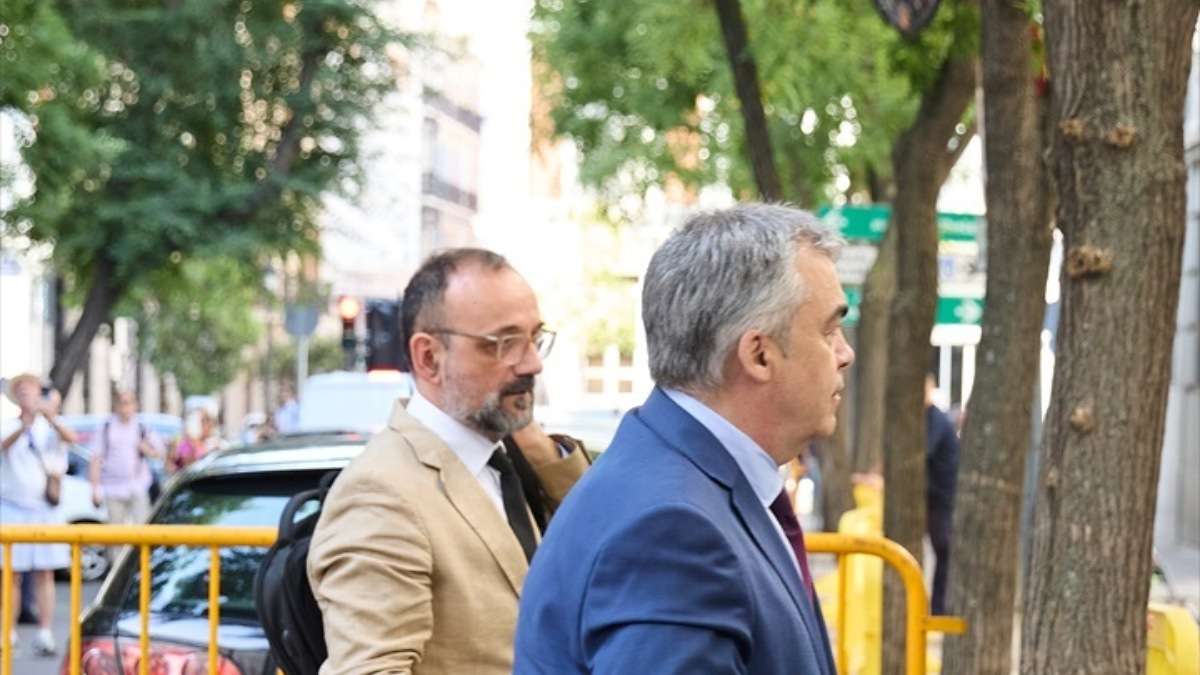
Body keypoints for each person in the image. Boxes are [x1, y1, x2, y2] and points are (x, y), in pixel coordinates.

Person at [515, 204, 854, 675]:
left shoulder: (677, 485)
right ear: (758, 354)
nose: (844, 353)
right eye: (829, 330)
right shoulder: (673, 528)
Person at [307, 248, 590, 675]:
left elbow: (597, 537)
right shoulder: (380, 495)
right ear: (428, 358)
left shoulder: (506, 458)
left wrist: (530, 438)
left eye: (535, 338)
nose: (532, 363)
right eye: (504, 344)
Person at [0, 373, 78, 656]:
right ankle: (8, 632)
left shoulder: (50, 427)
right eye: (20, 390)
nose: (26, 394)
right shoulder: (8, 425)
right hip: (12, 508)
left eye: (30, 389)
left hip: (44, 510)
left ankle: (45, 632)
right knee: (11, 574)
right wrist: (24, 426)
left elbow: (72, 439)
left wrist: (50, 417)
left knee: (45, 572)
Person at [89, 390, 163, 561]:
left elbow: (159, 454)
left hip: (137, 485)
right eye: (122, 403)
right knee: (116, 536)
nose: (125, 408)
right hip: (113, 488)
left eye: (129, 403)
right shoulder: (106, 427)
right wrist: (95, 488)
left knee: (142, 531)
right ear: (116, 405)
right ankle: (117, 568)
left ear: (135, 405)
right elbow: (96, 459)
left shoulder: (142, 427)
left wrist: (146, 449)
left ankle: (141, 565)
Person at [925, 373, 960, 616]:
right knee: (943, 552)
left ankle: (940, 607)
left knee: (945, 552)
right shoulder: (929, 418)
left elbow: (925, 451)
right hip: (937, 497)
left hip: (943, 497)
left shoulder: (935, 419)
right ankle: (939, 606)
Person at [169, 408, 217, 472]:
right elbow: (187, 467)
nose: (209, 429)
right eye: (203, 423)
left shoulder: (212, 444)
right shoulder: (187, 444)